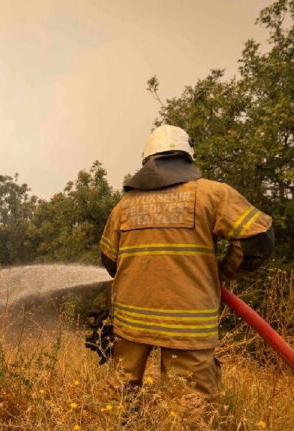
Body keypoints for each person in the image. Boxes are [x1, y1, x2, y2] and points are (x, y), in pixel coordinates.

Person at [99, 125, 275, 408]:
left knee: (118, 395)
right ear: (186, 158)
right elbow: (257, 240)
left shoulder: (124, 205)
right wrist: (223, 272)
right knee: (189, 404)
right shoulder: (213, 195)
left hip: (131, 322)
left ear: (147, 161)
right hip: (187, 324)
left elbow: (109, 261)